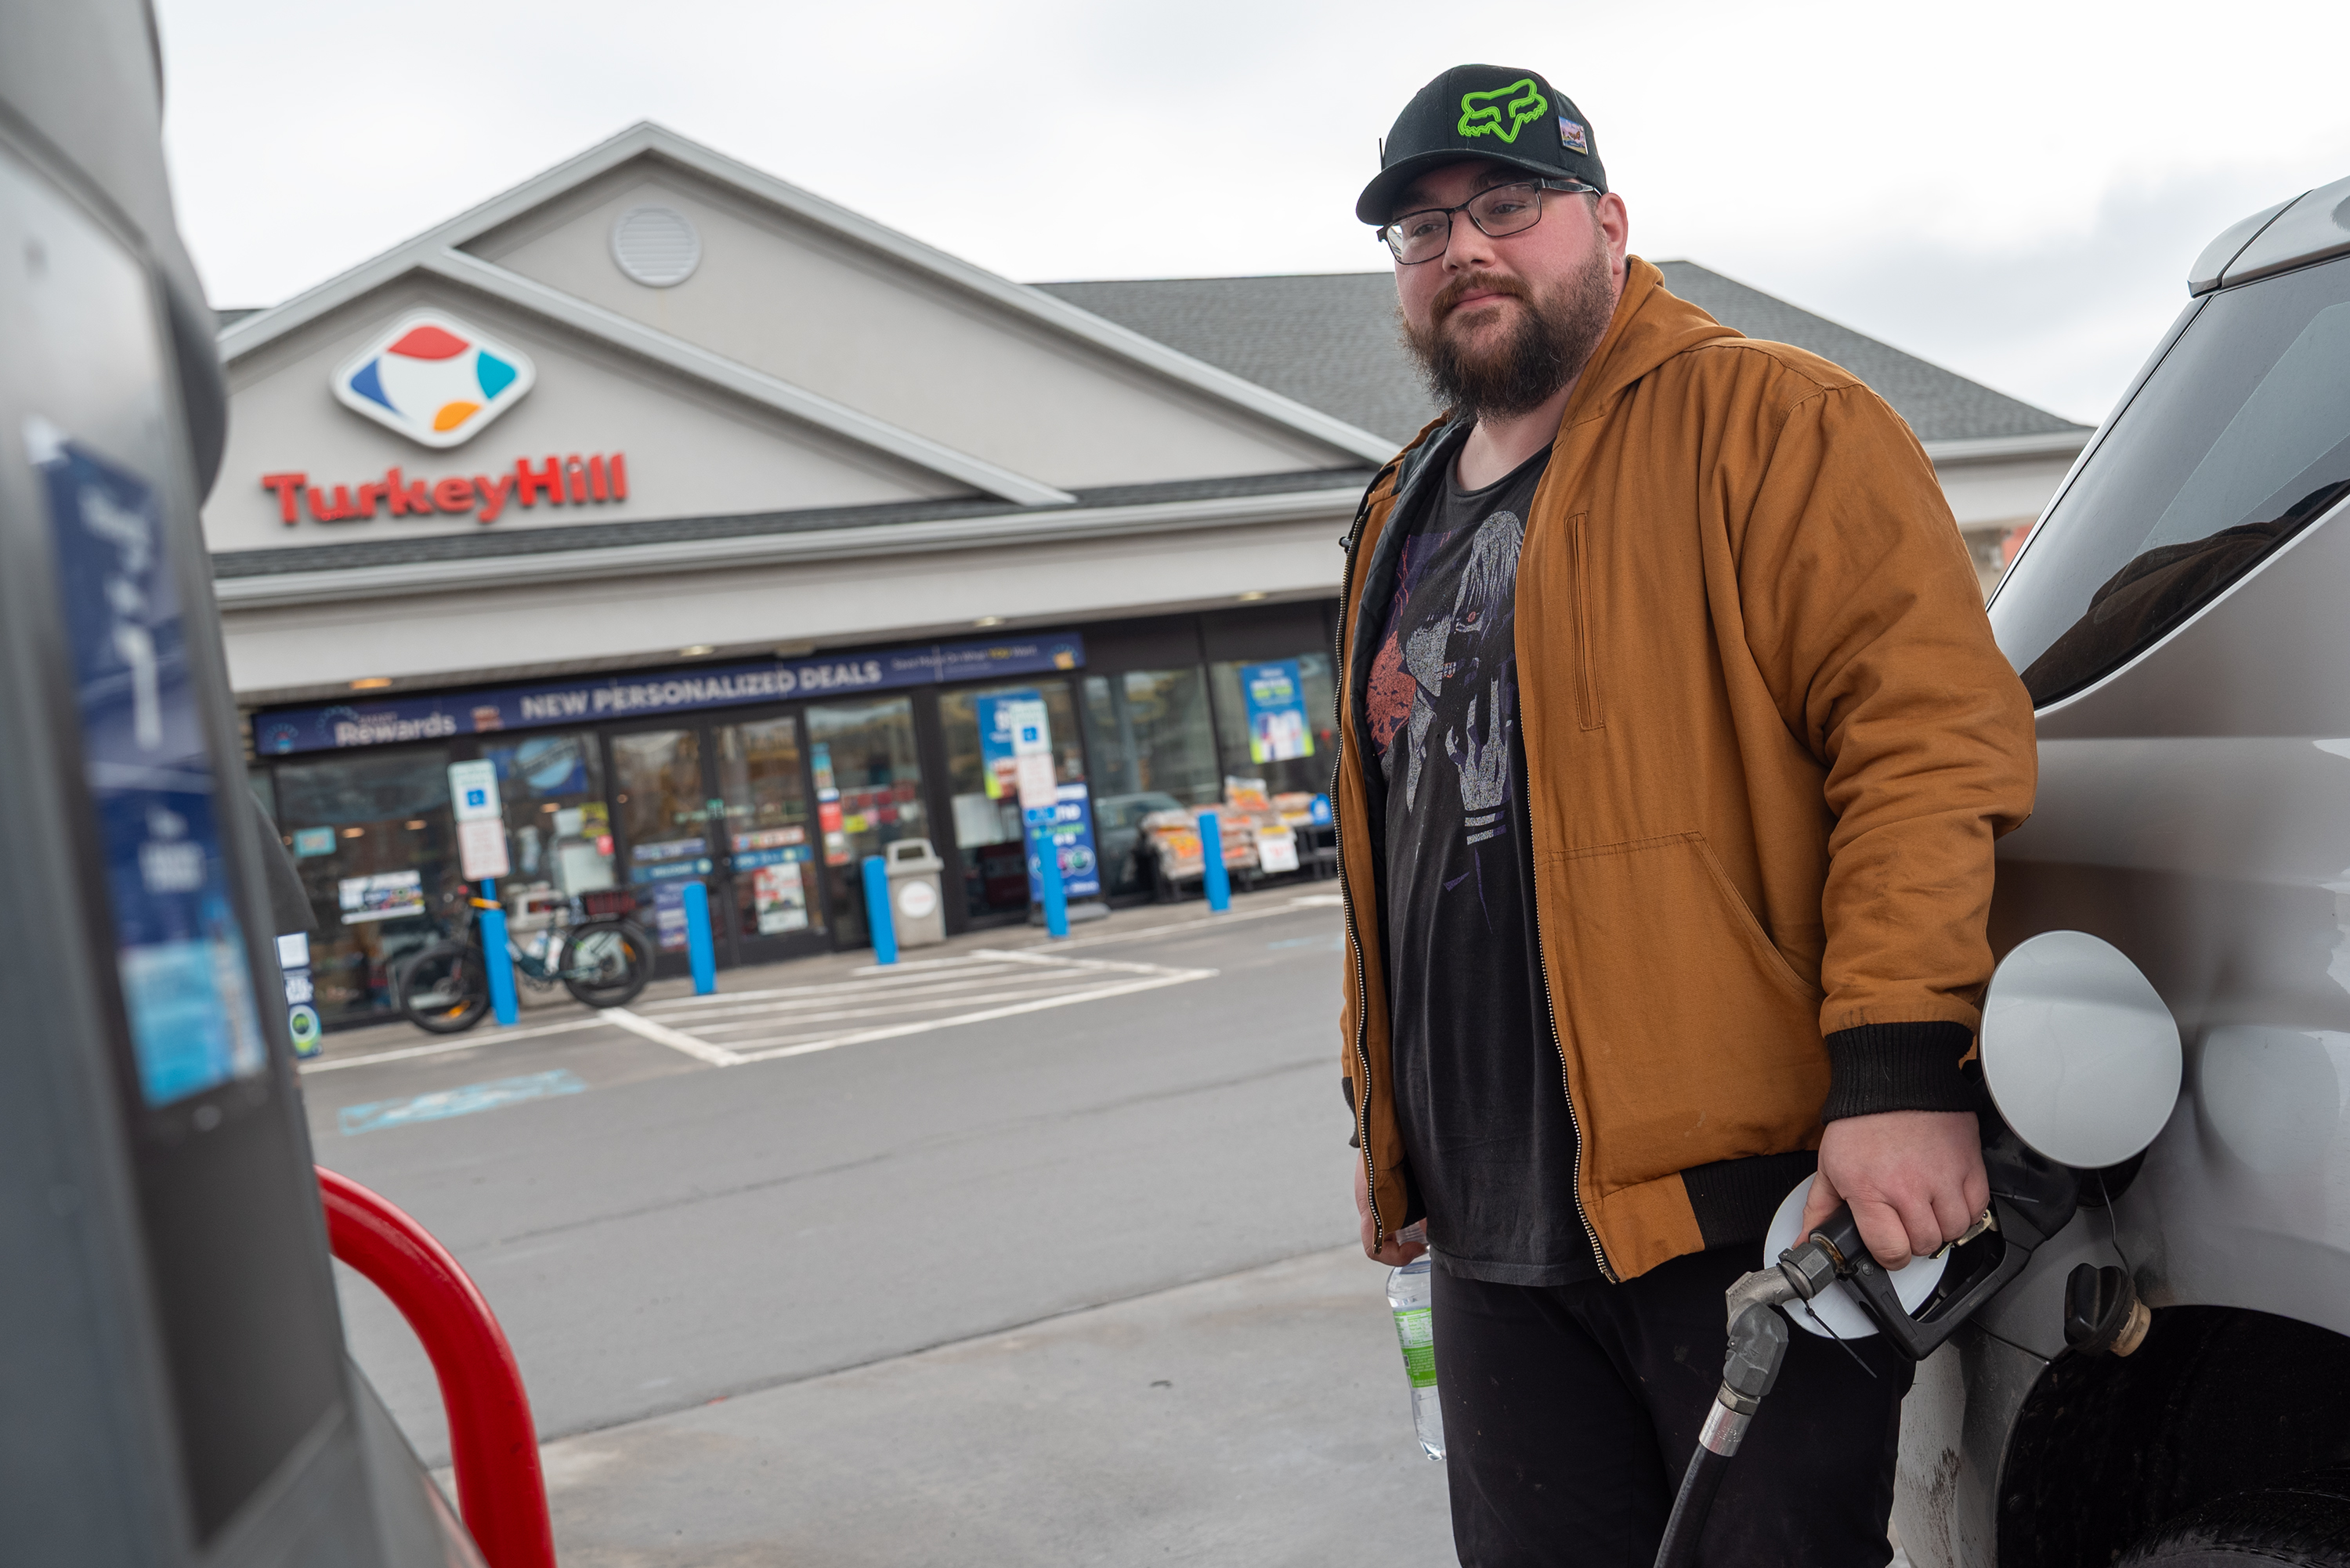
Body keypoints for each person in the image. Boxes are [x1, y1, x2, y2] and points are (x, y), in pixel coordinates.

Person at [1334, 65, 2037, 1566]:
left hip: (1741, 1216)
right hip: (1487, 1227)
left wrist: (1902, 1068)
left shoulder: (1776, 424)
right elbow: (1395, 850)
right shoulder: (1401, 507)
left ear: (1607, 221)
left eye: (1508, 207)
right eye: (1422, 226)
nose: (1464, 247)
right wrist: (1389, 1131)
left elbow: (1924, 744)